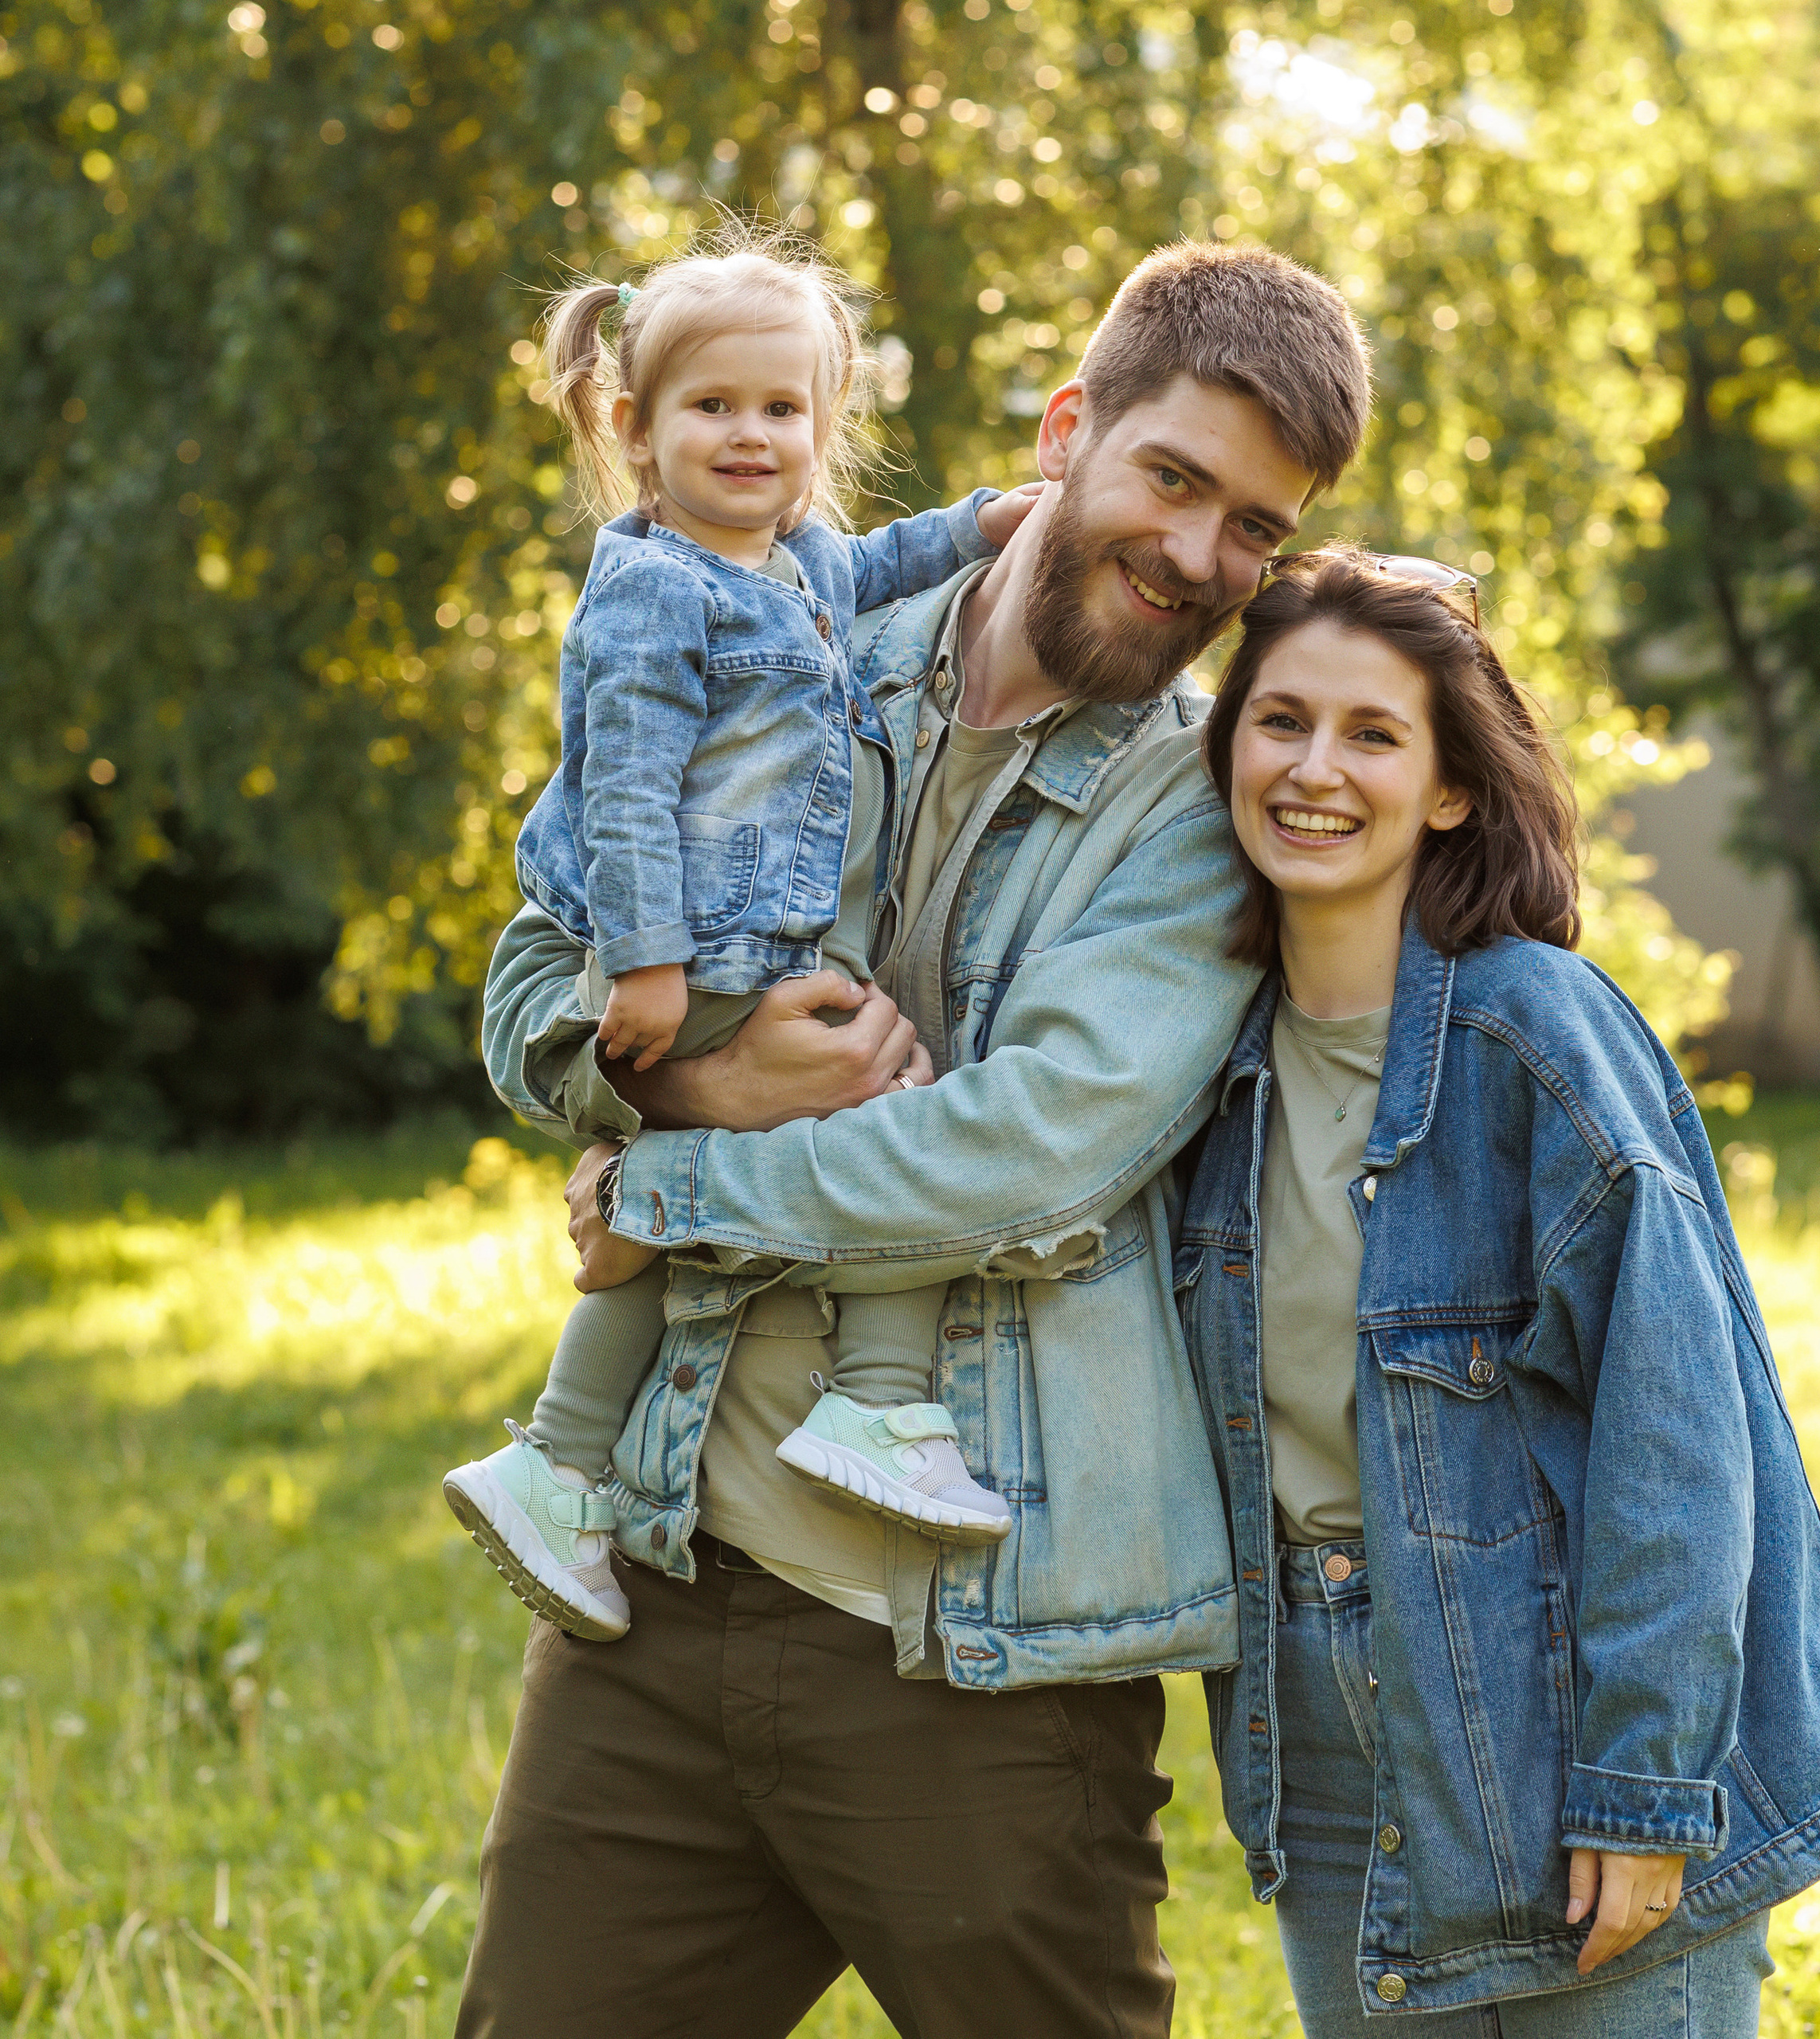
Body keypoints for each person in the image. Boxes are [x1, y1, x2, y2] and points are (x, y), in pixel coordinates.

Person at [454, 241, 1372, 2038]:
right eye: (1171, 479)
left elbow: (1015, 1154)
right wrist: (690, 1082)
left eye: (1253, 528)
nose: (1198, 558)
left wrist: (661, 1177)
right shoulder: (774, 628)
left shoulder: (1199, 815)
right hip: (657, 1583)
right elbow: (526, 976)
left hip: (981, 1640)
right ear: (1064, 432)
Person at [1178, 547, 1820, 2034]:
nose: (1316, 769)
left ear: (1449, 789)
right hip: (1321, 1733)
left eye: (1374, 735)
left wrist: (1643, 1788)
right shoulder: (1203, 1065)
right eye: (1281, 721)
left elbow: (1680, 1436)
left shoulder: (1534, 1037)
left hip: (1563, 1709)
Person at [441, 231, 1032, 1642]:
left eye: (784, 409)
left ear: (824, 426)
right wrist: (645, 960)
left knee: (693, 1188)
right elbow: (625, 784)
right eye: (714, 408)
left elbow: (886, 559)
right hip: (696, 955)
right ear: (636, 430)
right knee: (890, 1111)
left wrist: (982, 525)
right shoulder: (652, 589)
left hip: (759, 949)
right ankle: (880, 1400)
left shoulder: (797, 562)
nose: (752, 434)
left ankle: (564, 1459)